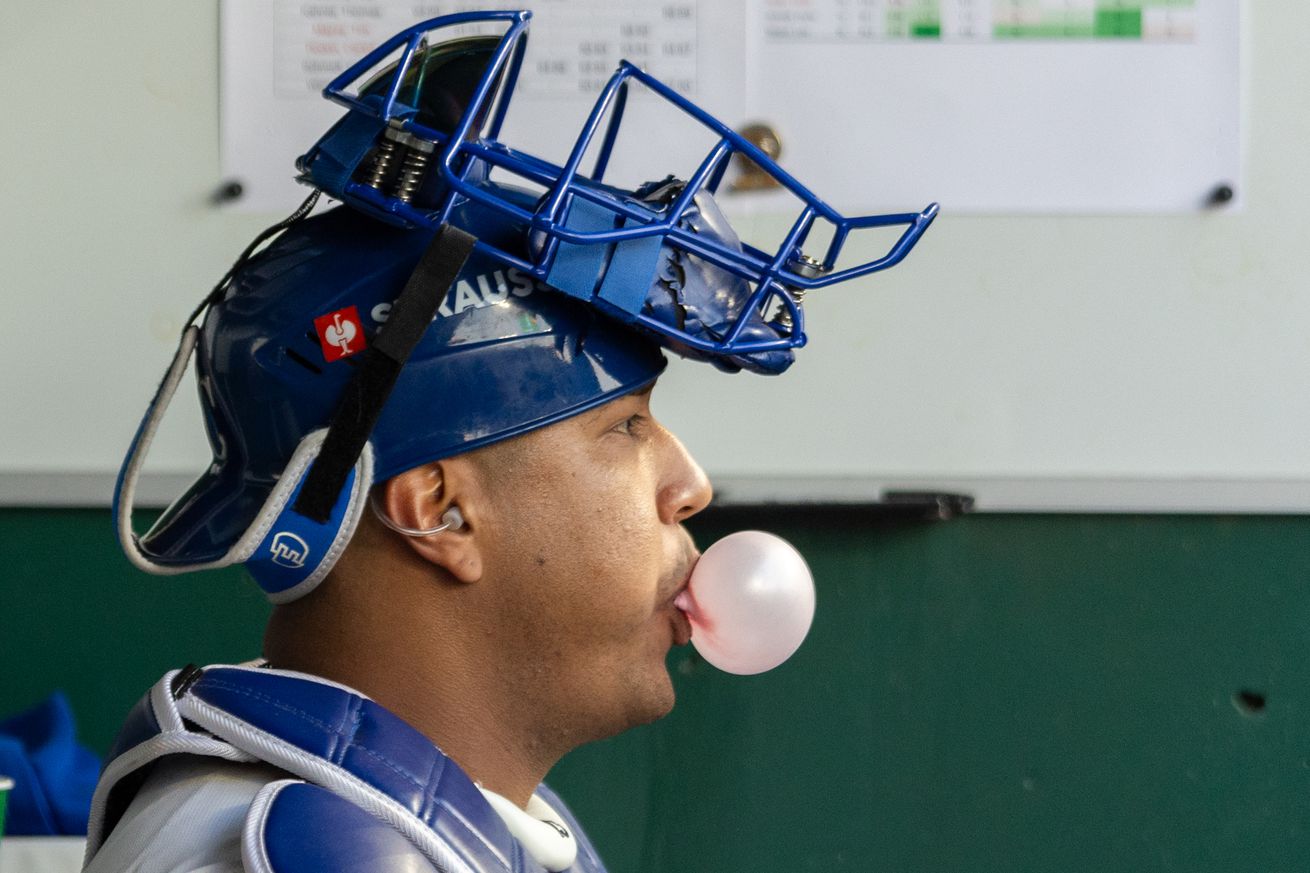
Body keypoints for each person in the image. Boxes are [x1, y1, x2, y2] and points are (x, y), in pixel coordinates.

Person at [83, 11, 935, 872]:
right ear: (442, 510)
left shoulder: (465, 812)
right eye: (626, 426)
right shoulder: (303, 852)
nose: (689, 484)